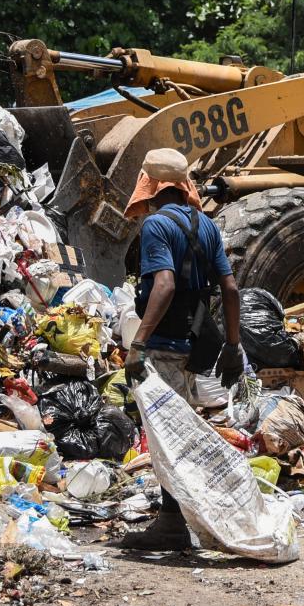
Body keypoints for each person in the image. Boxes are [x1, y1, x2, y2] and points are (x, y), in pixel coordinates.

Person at [117, 148, 244, 552]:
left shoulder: (156, 225)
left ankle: (172, 524)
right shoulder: (206, 225)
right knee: (179, 431)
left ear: (150, 187)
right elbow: (230, 288)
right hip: (194, 345)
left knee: (164, 438)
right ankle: (178, 518)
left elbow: (165, 285)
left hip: (164, 347)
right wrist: (233, 344)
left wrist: (138, 344)